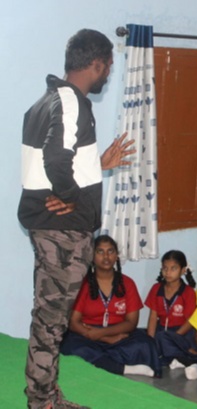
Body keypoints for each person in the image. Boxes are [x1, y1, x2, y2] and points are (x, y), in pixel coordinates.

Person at [19, 29, 135, 409]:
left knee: (50, 318)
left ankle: (48, 397)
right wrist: (70, 198)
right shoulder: (72, 102)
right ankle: (41, 402)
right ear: (97, 64)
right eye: (109, 66)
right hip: (62, 233)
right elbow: (55, 161)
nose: (108, 74)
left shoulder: (46, 102)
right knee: (51, 322)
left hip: (51, 228)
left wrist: (97, 166)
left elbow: (54, 161)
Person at [60, 236, 160, 378]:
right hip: (87, 335)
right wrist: (103, 338)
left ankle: (103, 364)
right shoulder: (83, 284)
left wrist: (103, 334)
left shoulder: (127, 283)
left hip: (118, 334)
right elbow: (73, 322)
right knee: (72, 346)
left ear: (117, 256)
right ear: (92, 256)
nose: (106, 256)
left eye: (110, 251)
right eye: (100, 252)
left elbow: (132, 322)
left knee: (145, 345)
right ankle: (123, 369)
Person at [144, 250, 197, 364]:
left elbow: (190, 322)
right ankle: (176, 358)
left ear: (183, 270)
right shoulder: (156, 288)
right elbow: (153, 317)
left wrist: (174, 337)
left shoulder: (188, 292)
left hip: (181, 332)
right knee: (145, 342)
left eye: (173, 268)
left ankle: (180, 358)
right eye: (165, 268)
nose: (168, 272)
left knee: (168, 341)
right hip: (162, 330)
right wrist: (150, 340)